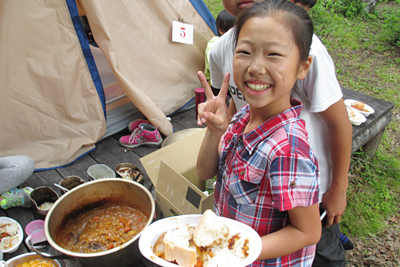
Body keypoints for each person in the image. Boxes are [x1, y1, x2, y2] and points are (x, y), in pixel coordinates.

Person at [209, 0, 353, 265]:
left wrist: (233, 252)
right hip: (239, 247)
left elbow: (307, 231)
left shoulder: (289, 150)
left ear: (303, 67)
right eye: (244, 52)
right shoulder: (241, 118)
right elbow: (207, 170)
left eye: (273, 55)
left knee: (327, 252)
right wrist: (215, 131)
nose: (256, 67)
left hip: (257, 247)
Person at [204, 10, 236, 82]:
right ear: (221, 30)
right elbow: (214, 65)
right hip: (215, 82)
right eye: (232, 30)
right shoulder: (213, 45)